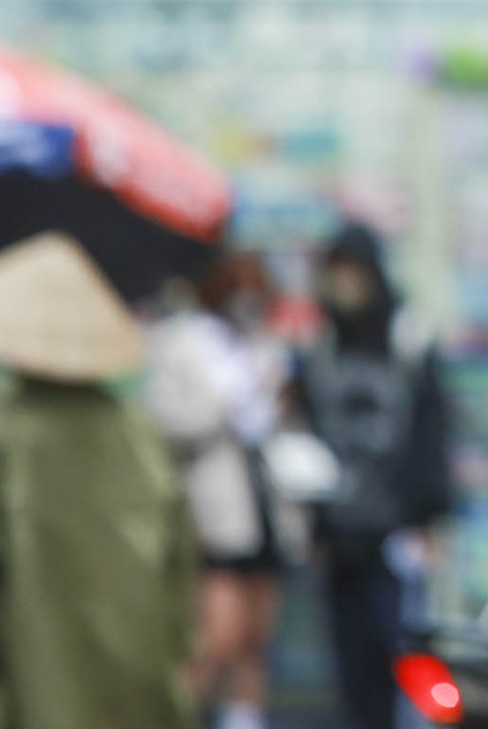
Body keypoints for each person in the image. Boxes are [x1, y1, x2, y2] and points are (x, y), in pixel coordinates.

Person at [0, 233, 196, 729]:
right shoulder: (139, 431)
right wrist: (178, 647)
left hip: (31, 679)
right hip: (139, 678)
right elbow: (180, 557)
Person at [300, 222, 453, 729]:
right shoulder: (319, 347)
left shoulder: (407, 339)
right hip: (341, 536)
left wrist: (426, 514)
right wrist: (317, 523)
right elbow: (305, 436)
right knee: (351, 664)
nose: (343, 284)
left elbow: (431, 428)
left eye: (351, 271)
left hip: (397, 535)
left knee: (407, 657)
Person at [143, 252, 294, 729]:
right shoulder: (182, 343)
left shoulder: (265, 347)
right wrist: (227, 407)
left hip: (267, 507)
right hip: (212, 515)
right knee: (214, 640)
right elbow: (163, 423)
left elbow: (279, 424)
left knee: (255, 641)